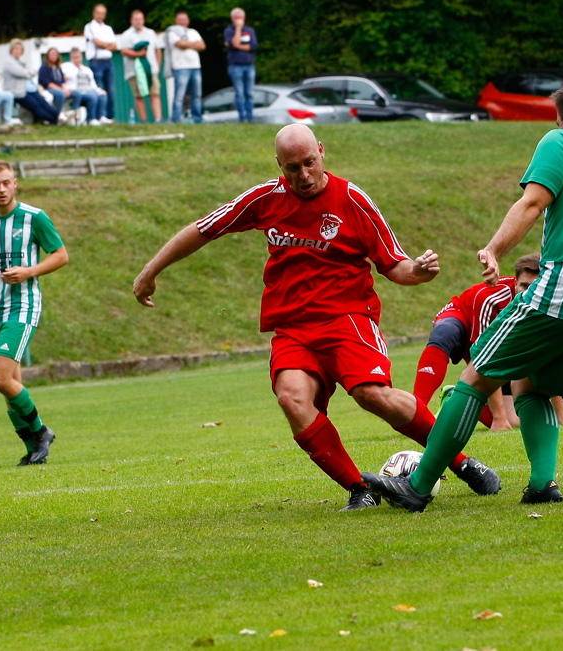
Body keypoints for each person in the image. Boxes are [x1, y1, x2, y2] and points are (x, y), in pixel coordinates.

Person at [133, 124, 501, 510]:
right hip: (292, 329)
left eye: (309, 163)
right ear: (280, 165)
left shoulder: (353, 200)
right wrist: (150, 271)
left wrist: (419, 271)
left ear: (322, 152)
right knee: (292, 400)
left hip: (348, 319)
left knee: (371, 395)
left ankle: (461, 463)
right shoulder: (265, 198)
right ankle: (361, 489)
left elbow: (394, 265)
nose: (304, 175)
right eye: (293, 168)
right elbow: (204, 229)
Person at [363, 79, 563, 512]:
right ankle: (543, 484)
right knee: (534, 384)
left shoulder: (562, 141)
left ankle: (418, 486)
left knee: (476, 376)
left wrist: (495, 249)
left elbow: (532, 203)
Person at [0, 161, 68, 466]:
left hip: (23, 305)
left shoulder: (34, 217)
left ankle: (40, 431)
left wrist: (29, 271)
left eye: (6, 183)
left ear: (15, 183)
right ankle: (34, 448)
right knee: (9, 385)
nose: (1, 189)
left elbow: (61, 255)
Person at [414, 254, 542, 432]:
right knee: (444, 332)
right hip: (463, 317)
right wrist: (499, 418)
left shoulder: (546, 303)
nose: (529, 292)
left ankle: (455, 396)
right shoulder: (491, 299)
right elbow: (484, 358)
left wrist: (561, 418)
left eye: (534, 287)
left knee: (515, 422)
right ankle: (416, 411)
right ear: (515, 282)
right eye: (524, 286)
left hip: (492, 345)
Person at [1, 39, 64, 125]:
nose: (18, 51)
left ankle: (60, 116)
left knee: (43, 103)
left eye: (19, 49)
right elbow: (24, 73)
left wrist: (27, 72)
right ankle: (55, 120)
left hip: (30, 89)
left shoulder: (22, 62)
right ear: (11, 50)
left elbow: (33, 71)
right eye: (16, 49)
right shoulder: (9, 63)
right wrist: (26, 72)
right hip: (18, 92)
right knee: (36, 106)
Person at [119, 10, 163, 123]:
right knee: (139, 95)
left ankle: (158, 119)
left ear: (143, 20)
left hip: (151, 70)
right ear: (131, 20)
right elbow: (124, 51)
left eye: (140, 19)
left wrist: (157, 66)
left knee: (155, 93)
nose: (138, 22)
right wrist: (138, 54)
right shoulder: (126, 35)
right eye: (136, 19)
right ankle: (144, 120)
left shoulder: (151, 33)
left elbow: (158, 49)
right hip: (134, 71)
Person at [165, 11, 205, 124]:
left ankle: (198, 118)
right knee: (180, 94)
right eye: (180, 19)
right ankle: (176, 118)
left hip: (195, 66)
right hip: (181, 67)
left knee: (197, 94)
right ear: (176, 21)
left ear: (188, 21)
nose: (182, 22)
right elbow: (180, 45)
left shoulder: (193, 32)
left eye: (184, 19)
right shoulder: (172, 32)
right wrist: (194, 44)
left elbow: (202, 45)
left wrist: (187, 43)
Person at [84, 4, 118, 121]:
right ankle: (98, 116)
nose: (100, 16)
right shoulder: (89, 27)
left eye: (103, 13)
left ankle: (110, 116)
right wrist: (106, 44)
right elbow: (97, 43)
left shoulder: (108, 29)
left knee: (110, 90)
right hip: (96, 62)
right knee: (98, 89)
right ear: (94, 13)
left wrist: (104, 45)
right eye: (98, 13)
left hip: (108, 62)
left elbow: (114, 46)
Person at [224, 8, 257, 123]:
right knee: (239, 93)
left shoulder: (250, 30)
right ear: (232, 19)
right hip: (235, 66)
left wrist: (237, 45)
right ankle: (242, 118)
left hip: (249, 65)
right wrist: (238, 29)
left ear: (244, 18)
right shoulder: (229, 31)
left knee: (249, 93)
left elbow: (253, 46)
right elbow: (233, 43)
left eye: (241, 18)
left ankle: (251, 117)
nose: (239, 20)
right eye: (236, 18)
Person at [61, 48, 110, 125]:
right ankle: (91, 119)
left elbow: (93, 84)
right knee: (92, 96)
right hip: (77, 91)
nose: (77, 59)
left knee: (102, 94)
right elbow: (60, 77)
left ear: (81, 57)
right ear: (71, 58)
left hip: (89, 90)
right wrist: (65, 77)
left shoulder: (87, 69)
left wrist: (98, 90)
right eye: (74, 57)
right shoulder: (66, 67)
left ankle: (101, 117)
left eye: (78, 57)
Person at [38, 47, 68, 116]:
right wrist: (61, 90)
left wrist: (66, 89)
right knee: (60, 94)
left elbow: (62, 81)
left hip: (59, 89)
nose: (54, 56)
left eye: (55, 54)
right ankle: (56, 115)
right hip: (47, 89)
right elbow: (47, 83)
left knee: (76, 94)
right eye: (52, 54)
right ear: (48, 55)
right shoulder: (44, 67)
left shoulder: (58, 67)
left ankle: (73, 115)